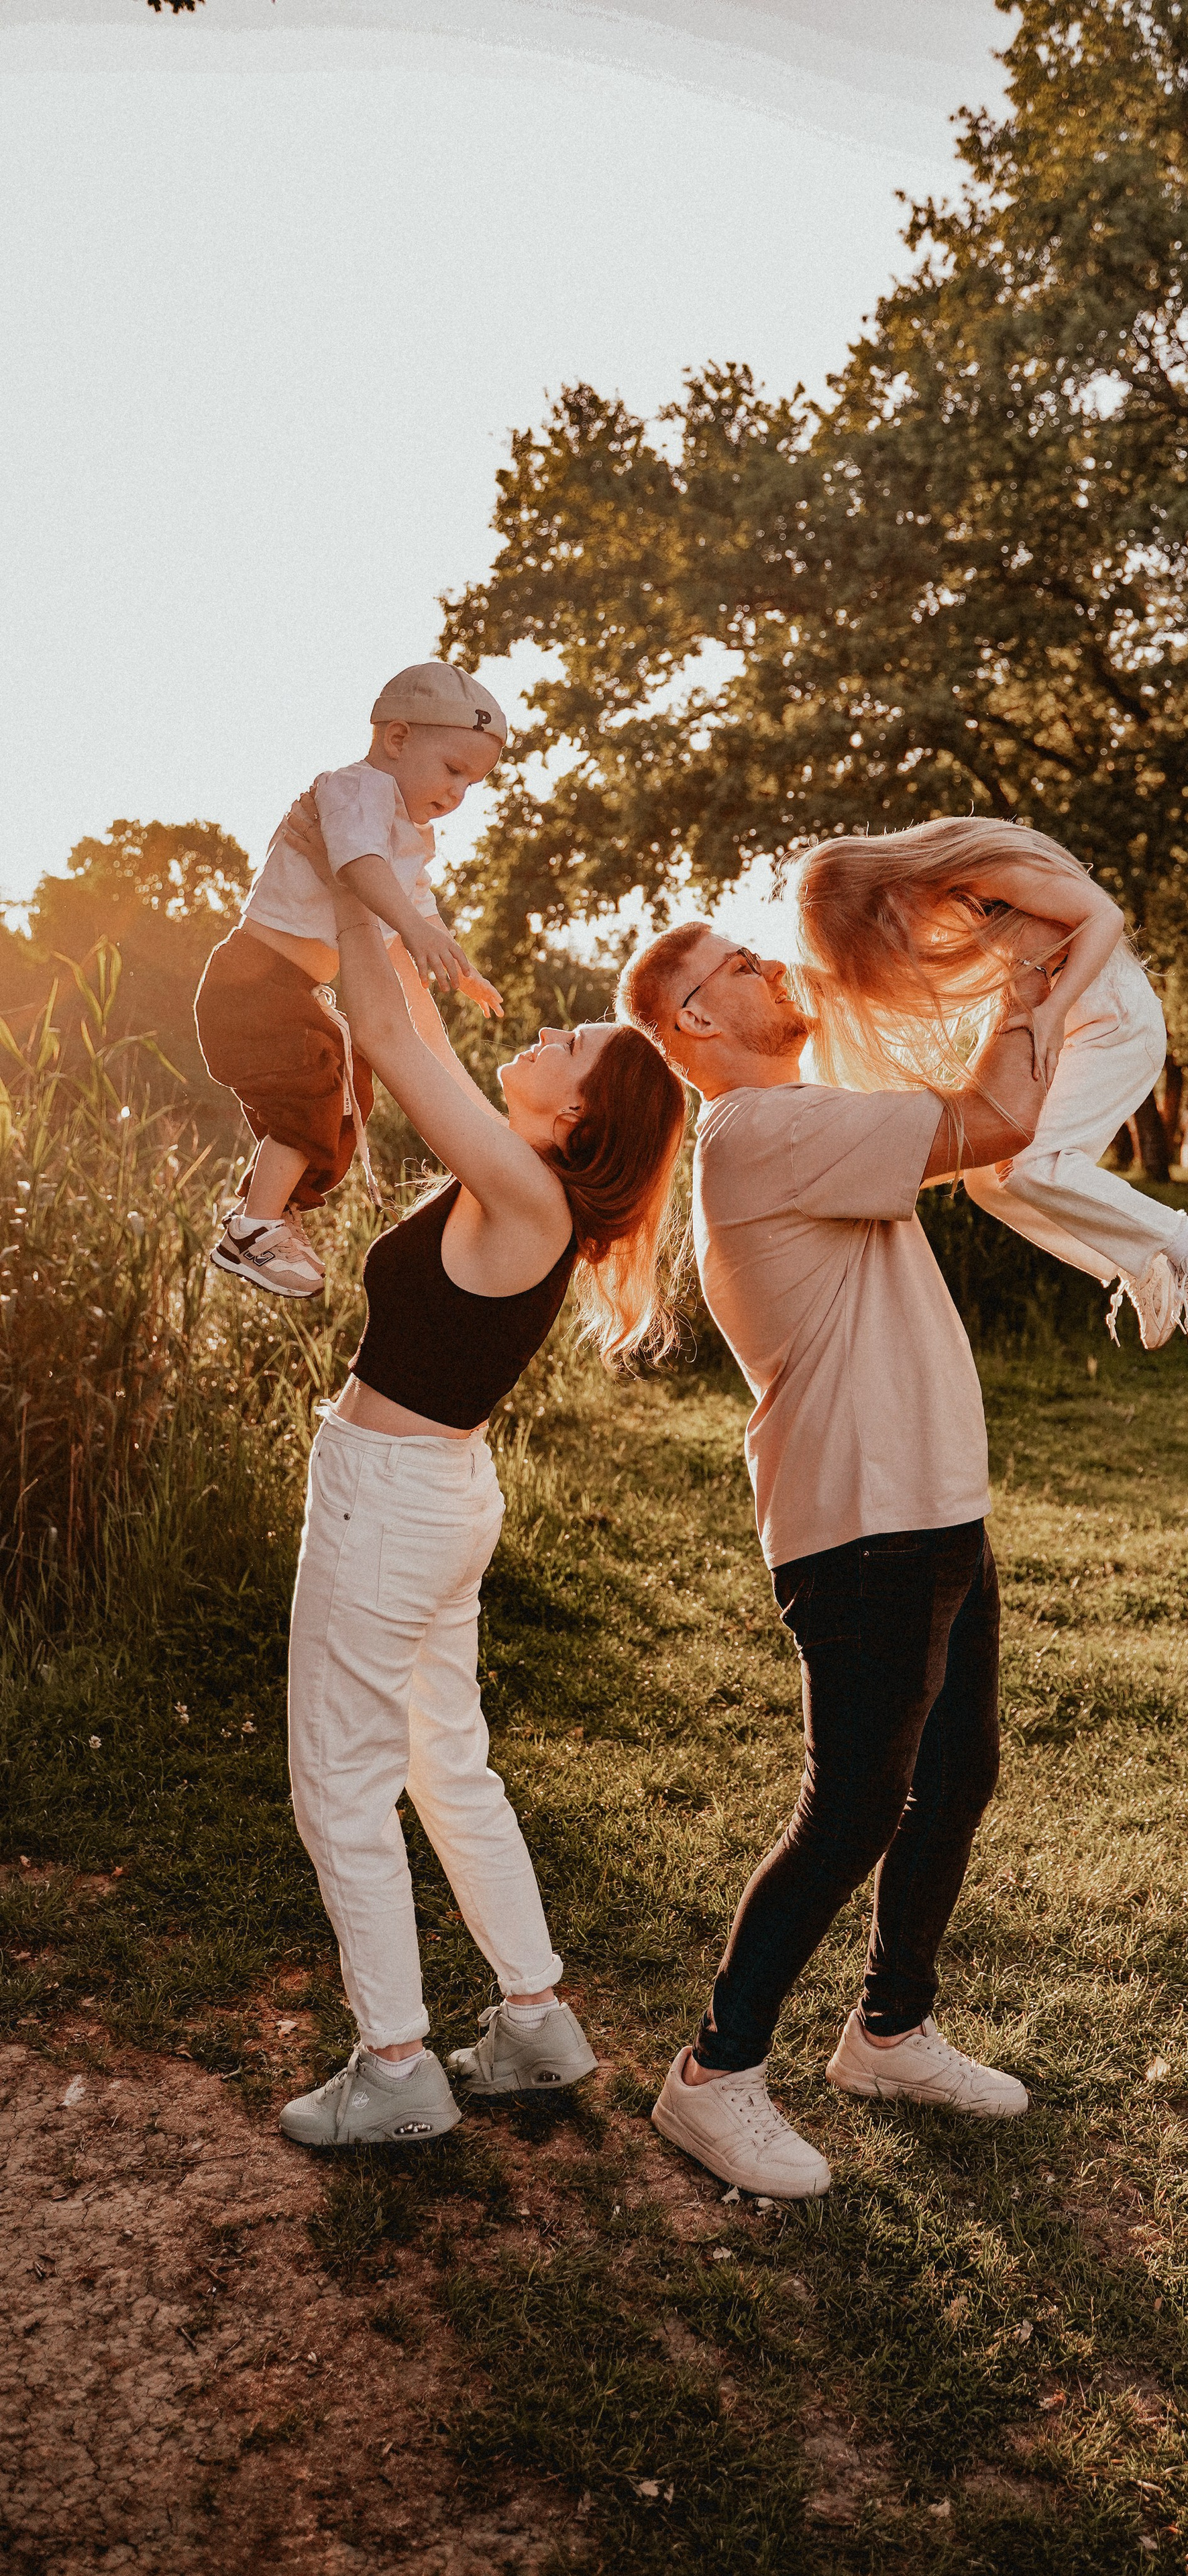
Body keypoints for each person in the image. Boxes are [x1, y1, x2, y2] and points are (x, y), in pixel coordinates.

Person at [615, 924, 1048, 2199]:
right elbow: (1002, 1116)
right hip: (860, 1522)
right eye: (737, 965)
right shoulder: (754, 1130)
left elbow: (978, 1111)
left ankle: (890, 2036)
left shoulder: (802, 1117)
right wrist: (1036, 964)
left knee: (954, 1776)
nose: (768, 963)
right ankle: (712, 2077)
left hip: (932, 1503)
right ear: (694, 1024)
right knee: (854, 1803)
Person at [270, 829, 686, 2150]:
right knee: (446, 1761)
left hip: (391, 1496)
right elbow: (389, 1034)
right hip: (432, 1492)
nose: (555, 1031)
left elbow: (392, 1034)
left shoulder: (525, 1191)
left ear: (573, 1122)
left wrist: (350, 856)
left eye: (570, 1046)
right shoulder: (523, 1191)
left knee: (339, 1777)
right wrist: (373, 896)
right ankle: (532, 2016)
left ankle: (395, 2068)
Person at [790, 822, 1188, 1352]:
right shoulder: (954, 900)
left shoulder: (983, 870)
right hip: (1076, 1033)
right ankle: (1140, 1263)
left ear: (887, 893)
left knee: (1035, 1165)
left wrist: (1053, 1010)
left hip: (1116, 1025)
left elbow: (1105, 916)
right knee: (988, 1180)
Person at [195, 662, 506, 1299]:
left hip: (292, 993)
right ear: (397, 739)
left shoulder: (409, 833)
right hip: (255, 985)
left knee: (346, 1104)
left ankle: (276, 1213)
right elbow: (358, 867)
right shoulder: (353, 791)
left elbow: (417, 907)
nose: (457, 795)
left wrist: (455, 963)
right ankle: (250, 1228)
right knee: (311, 1096)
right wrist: (416, 934)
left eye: (472, 783)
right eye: (452, 769)